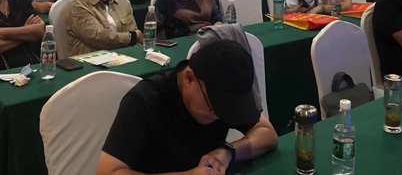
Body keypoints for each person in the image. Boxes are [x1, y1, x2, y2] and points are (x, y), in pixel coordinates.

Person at [96, 39, 278, 175]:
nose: (219, 117)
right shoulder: (144, 101)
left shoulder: (221, 93)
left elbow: (267, 133)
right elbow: (107, 172)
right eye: (215, 107)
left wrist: (227, 152)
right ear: (189, 78)